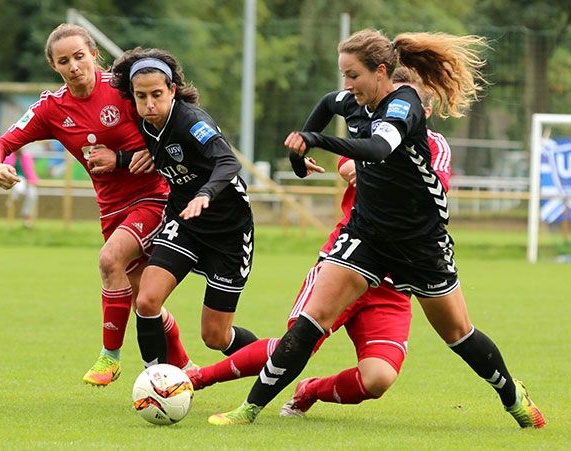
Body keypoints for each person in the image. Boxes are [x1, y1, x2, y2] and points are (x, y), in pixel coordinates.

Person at [210, 29, 545, 429]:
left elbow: (378, 149)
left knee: (458, 334)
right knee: (311, 320)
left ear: (380, 72)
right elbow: (325, 103)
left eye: (353, 76)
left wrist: (315, 139)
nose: (347, 86)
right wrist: (300, 157)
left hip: (420, 243)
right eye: (344, 76)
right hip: (366, 235)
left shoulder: (403, 106)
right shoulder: (352, 100)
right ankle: (248, 410)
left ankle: (512, 395)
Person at [185, 68, 450, 419]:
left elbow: (436, 188)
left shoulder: (435, 148)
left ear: (424, 112)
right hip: (348, 262)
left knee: (379, 379)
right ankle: (194, 379)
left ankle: (310, 389)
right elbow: (348, 166)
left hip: (391, 284)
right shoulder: (368, 131)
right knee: (296, 344)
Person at [0, 23, 191, 386]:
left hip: (154, 197)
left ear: (94, 55)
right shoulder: (51, 109)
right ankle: (186, 367)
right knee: (143, 299)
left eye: (80, 56)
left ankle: (109, 358)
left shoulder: (125, 89)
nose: (74, 66)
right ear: (54, 66)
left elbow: (172, 122)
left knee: (109, 260)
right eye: (64, 61)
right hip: (111, 210)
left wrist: (138, 153)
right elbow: (1, 144)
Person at [109, 47, 258, 369]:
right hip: (183, 223)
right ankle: (155, 382)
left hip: (228, 231)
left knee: (216, 336)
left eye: (157, 95)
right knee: (147, 300)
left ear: (173, 90)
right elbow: (160, 156)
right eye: (141, 96)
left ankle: (276, 363)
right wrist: (120, 159)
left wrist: (205, 194)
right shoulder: (144, 120)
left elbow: (228, 161)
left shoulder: (192, 122)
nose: (149, 104)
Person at [4, 146, 39, 228]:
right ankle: (13, 199)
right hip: (16, 179)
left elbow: (30, 170)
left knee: (32, 194)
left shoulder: (26, 157)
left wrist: (32, 181)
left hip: (27, 179)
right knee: (20, 188)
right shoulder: (9, 157)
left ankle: (26, 214)